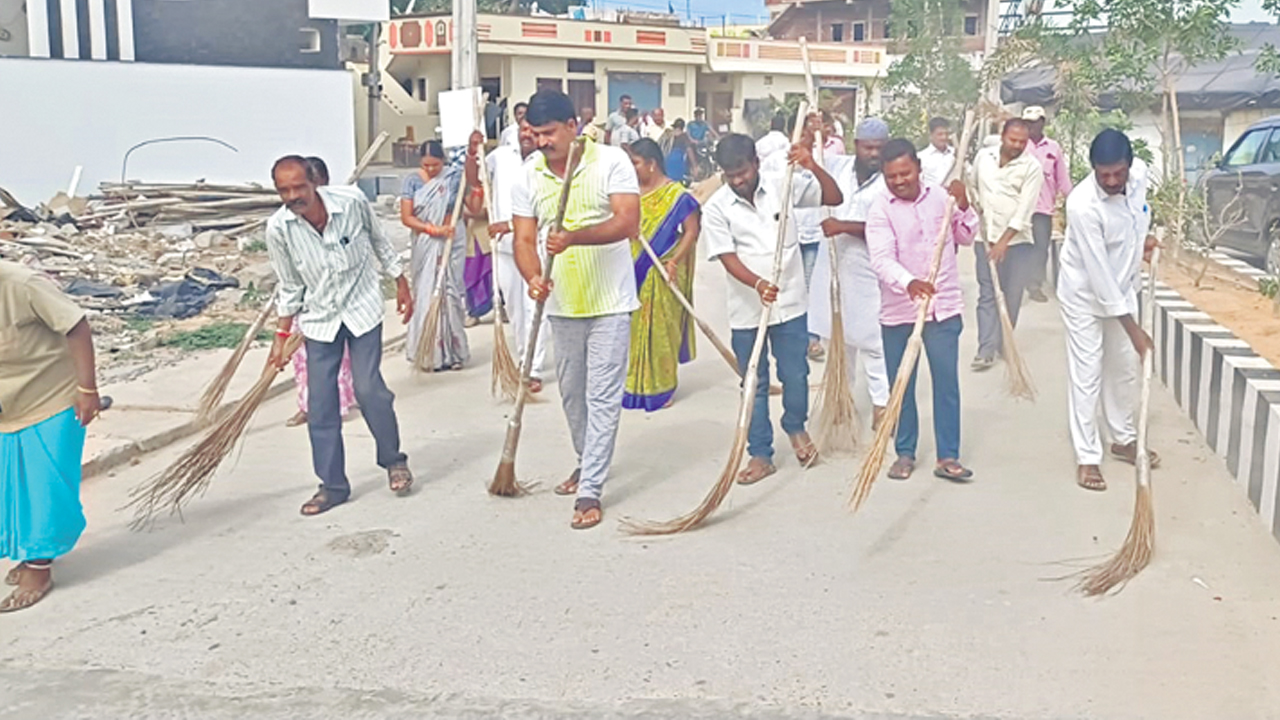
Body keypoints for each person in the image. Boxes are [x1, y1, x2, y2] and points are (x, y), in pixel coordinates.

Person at [512, 89, 641, 530]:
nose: (541, 142)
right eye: (534, 134)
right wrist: (533, 277)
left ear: (573, 127)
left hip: (611, 301)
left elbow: (627, 222)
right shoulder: (527, 174)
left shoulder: (610, 161)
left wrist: (574, 237)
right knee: (572, 393)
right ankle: (588, 461)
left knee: (603, 396)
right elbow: (524, 240)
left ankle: (591, 489)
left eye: (549, 133)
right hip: (562, 303)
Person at [265, 155, 416, 516]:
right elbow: (289, 285)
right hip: (319, 319)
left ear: (313, 183)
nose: (293, 196)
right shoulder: (279, 229)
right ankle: (332, 485)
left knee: (368, 388)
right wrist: (282, 333)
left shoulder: (351, 202)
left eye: (299, 187)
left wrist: (400, 281)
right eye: (284, 190)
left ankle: (393, 459)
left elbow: (379, 242)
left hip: (362, 309)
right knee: (321, 404)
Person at [701, 129, 843, 485]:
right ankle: (760, 453)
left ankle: (796, 426)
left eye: (743, 172)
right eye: (730, 175)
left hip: (791, 304)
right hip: (748, 309)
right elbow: (727, 257)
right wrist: (757, 284)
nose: (738, 181)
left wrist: (813, 166)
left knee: (795, 375)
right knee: (754, 382)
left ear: (756, 163)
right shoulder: (717, 207)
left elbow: (834, 196)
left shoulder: (785, 182)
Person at [866, 139, 978, 483]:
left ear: (918, 168)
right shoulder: (880, 208)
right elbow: (881, 260)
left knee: (946, 383)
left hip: (943, 308)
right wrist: (909, 283)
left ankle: (948, 455)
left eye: (905, 173)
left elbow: (966, 235)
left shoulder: (941, 198)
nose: (899, 181)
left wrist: (963, 204)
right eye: (891, 176)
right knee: (902, 384)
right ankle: (904, 452)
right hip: (900, 311)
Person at [1059, 128, 1159, 492]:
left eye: (1118, 173)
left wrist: (1141, 242)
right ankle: (1088, 457)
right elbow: (1099, 275)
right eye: (1104, 175)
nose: (1112, 181)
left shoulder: (1140, 175)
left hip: (1125, 285)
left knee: (1124, 371)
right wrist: (1134, 330)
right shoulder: (1082, 205)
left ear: (1130, 167)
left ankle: (1123, 438)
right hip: (1084, 294)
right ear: (1093, 170)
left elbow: (1136, 217)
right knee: (1087, 374)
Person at [0, 261, 101, 612]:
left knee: (45, 485)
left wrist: (87, 389)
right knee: (11, 488)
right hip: (8, 402)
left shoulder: (22, 284)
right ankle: (32, 551)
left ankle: (39, 568)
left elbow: (76, 326)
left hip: (54, 396)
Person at [808, 117, 893, 430]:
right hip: (831, 267)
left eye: (879, 148)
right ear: (856, 145)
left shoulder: (890, 180)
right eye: (869, 147)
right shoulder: (837, 166)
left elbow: (888, 228)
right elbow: (804, 159)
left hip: (868, 268)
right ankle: (840, 401)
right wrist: (810, 130)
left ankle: (882, 404)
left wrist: (843, 226)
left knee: (873, 340)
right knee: (839, 341)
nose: (874, 154)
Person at [622, 138, 701, 411]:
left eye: (636, 163)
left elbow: (691, 230)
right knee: (632, 329)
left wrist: (675, 260)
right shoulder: (629, 192)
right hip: (632, 268)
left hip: (662, 268)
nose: (632, 169)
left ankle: (662, 388)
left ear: (652, 164)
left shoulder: (675, 195)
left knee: (660, 331)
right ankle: (634, 386)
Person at [399, 139, 484, 371]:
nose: (431, 170)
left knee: (451, 294)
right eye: (426, 166)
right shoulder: (412, 181)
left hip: (451, 241)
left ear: (443, 162)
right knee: (426, 296)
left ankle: (454, 352)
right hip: (425, 243)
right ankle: (428, 353)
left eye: (435, 165)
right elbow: (407, 217)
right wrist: (432, 229)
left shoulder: (454, 178)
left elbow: (473, 208)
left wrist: (477, 185)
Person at [287, 157, 357, 427]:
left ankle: (338, 403)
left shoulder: (342, 214)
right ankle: (306, 406)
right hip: (305, 302)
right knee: (302, 358)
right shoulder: (293, 219)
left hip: (335, 301)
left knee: (335, 357)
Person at [969, 119, 1044, 370]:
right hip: (984, 239)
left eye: (1022, 142)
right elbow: (973, 186)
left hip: (1017, 243)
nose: (1017, 145)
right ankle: (985, 349)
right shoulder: (984, 157)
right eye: (1013, 140)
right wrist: (973, 205)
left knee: (1011, 295)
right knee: (987, 293)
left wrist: (1003, 241)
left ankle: (1004, 341)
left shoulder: (1032, 167)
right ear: (1002, 136)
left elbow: (1025, 209)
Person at [488, 117, 550, 393]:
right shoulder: (499, 156)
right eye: (523, 129)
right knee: (514, 308)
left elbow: (544, 208)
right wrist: (470, 152)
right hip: (504, 247)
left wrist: (511, 224)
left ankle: (532, 367)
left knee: (534, 305)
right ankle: (524, 355)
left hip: (536, 246)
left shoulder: (545, 162)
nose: (527, 134)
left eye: (532, 130)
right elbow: (475, 177)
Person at [1023, 105, 1074, 303]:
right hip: (1020, 207)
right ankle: (1017, 282)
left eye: (1034, 123)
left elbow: (1062, 178)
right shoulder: (1020, 145)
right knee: (1020, 246)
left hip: (1043, 208)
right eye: (1027, 123)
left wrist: (1073, 201)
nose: (1030, 127)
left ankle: (1035, 285)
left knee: (1040, 247)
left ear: (1042, 123)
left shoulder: (1053, 148)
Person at [918, 117, 955, 186]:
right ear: (931, 135)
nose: (944, 137)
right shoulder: (922, 157)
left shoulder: (956, 154)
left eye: (946, 134)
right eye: (940, 134)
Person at [662, 119, 695, 184]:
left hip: (666, 159)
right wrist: (694, 165)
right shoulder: (684, 136)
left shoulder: (668, 135)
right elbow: (689, 150)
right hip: (678, 161)